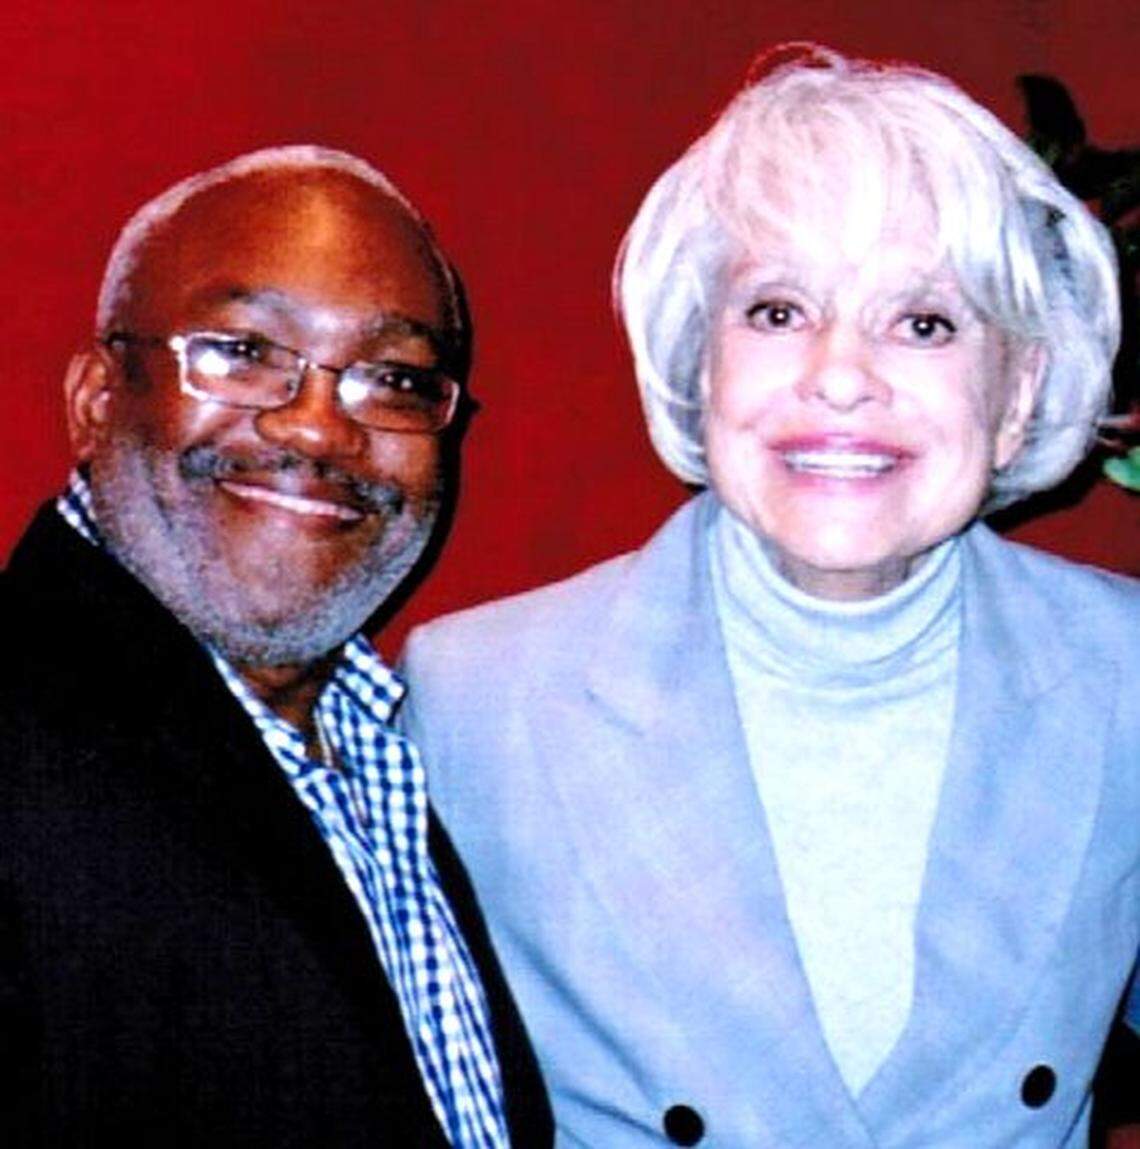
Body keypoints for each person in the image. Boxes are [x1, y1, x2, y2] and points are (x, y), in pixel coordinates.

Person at [400, 47, 1140, 1148]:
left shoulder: (1126, 677)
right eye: (780, 311)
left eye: (924, 322)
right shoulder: (472, 700)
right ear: (702, 364)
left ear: (1018, 392)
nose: (840, 375)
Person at [0, 146, 552, 1147]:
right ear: (95, 398)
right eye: (244, 352)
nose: (316, 430)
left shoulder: (398, 745)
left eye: (392, 377)